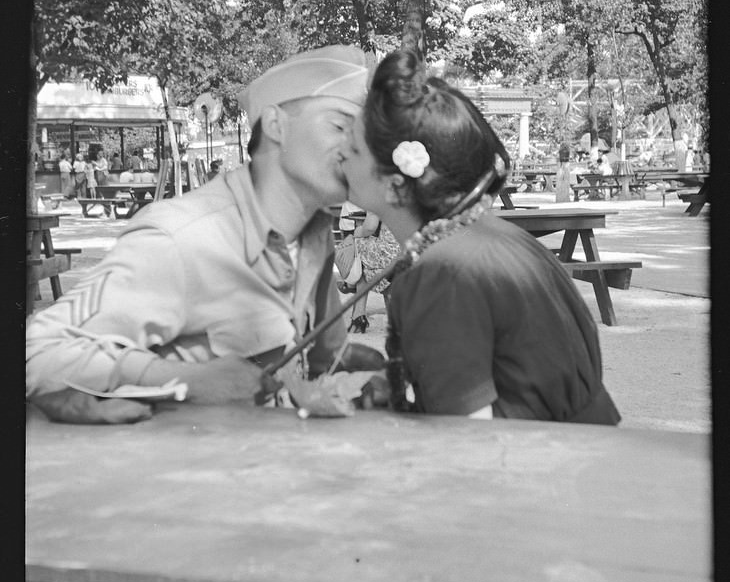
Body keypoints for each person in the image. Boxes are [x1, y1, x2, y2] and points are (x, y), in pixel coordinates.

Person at [26, 46, 382, 424]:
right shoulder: (183, 238)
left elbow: (317, 361)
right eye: (340, 126)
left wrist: (358, 375)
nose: (356, 148)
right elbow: (35, 351)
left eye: (361, 135)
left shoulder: (315, 237)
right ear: (276, 125)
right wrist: (186, 379)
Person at [342, 49, 619, 424]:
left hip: (546, 470)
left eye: (354, 148)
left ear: (394, 186)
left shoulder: (443, 272)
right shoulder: (494, 234)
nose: (340, 152)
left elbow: (468, 446)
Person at [333, 200, 381, 333]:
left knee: (358, 266)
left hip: (357, 218)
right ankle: (357, 313)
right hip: (361, 218)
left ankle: (351, 286)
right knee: (359, 265)